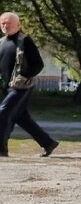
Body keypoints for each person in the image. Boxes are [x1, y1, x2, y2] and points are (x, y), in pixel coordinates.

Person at [0, 11, 59, 158]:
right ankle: (48, 143)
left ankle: (1, 149)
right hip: (6, 87)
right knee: (21, 118)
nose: (6, 25)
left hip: (21, 86)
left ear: (18, 25)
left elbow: (38, 64)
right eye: (3, 23)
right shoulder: (1, 43)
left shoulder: (25, 41)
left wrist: (23, 76)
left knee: (3, 112)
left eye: (9, 23)